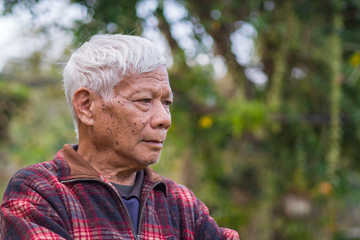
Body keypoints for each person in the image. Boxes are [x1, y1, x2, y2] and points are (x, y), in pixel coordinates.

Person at [0, 34, 239, 240]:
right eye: (145, 100)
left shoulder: (180, 203)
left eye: (166, 103)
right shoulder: (39, 191)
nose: (164, 119)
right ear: (86, 106)